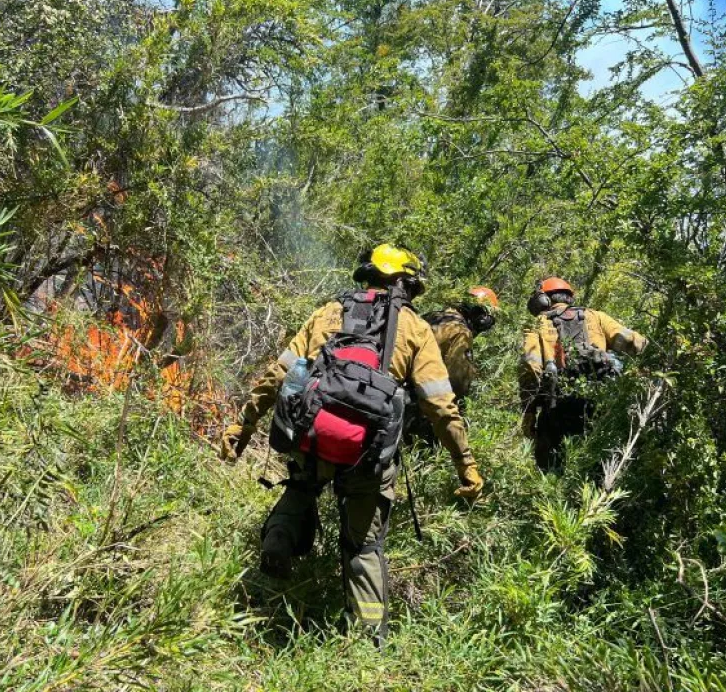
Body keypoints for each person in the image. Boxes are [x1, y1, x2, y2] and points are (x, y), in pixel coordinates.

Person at [220, 244, 483, 644]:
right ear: (409, 283)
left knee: (301, 486)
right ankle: (367, 638)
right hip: (368, 451)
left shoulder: (329, 312)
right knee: (364, 544)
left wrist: (242, 427)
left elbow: (278, 375)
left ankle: (279, 540)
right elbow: (440, 404)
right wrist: (466, 465)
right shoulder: (415, 328)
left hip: (310, 432)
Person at [519, 277, 647, 474]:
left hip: (556, 408)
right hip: (598, 405)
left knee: (550, 470)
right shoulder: (595, 317)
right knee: (596, 462)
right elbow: (633, 342)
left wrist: (528, 412)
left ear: (544, 300)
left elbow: (531, 367)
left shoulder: (538, 324)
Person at [406, 287, 499, 443]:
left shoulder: (430, 317)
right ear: (479, 314)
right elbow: (458, 380)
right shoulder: (460, 331)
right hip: (424, 406)